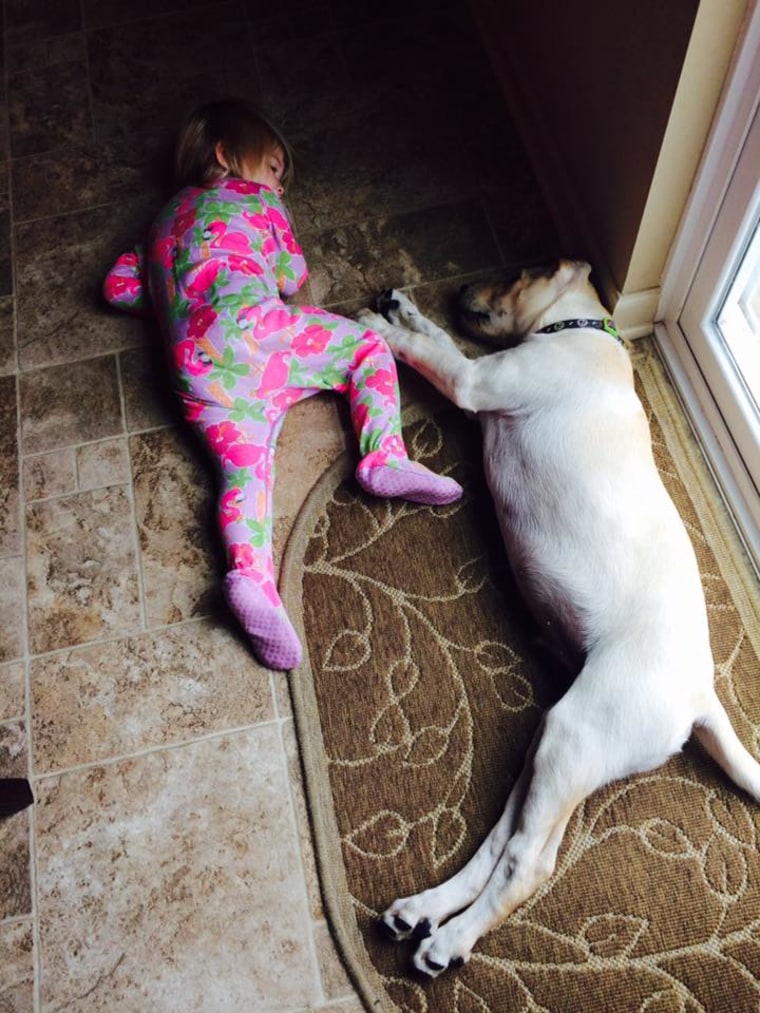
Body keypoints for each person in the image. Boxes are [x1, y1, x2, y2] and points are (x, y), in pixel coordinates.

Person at [104, 98, 462, 671]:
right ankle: (383, 455)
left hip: (194, 370)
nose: (281, 185)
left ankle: (251, 578)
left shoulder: (158, 226)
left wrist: (176, 297)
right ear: (226, 157)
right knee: (366, 347)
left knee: (243, 473)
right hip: (255, 328)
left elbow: (118, 289)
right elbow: (292, 277)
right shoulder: (254, 201)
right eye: (275, 167)